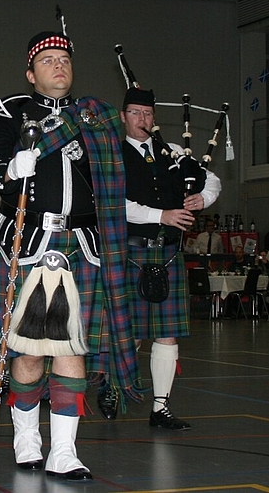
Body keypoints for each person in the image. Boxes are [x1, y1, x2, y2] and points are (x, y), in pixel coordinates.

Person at [0, 27, 140, 481]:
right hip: (28, 244)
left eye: (64, 59)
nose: (58, 65)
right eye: (47, 60)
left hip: (83, 247)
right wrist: (11, 167)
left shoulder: (97, 119)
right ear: (31, 74)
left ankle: (64, 450)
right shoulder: (11, 113)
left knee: (72, 349)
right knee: (27, 352)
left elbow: (115, 182)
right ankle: (27, 438)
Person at [116, 87, 221, 428]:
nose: (141, 120)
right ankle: (116, 388)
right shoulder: (113, 155)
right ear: (123, 117)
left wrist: (202, 198)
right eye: (134, 113)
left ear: (154, 118)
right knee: (129, 331)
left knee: (167, 333)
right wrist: (160, 215)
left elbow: (214, 180)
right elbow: (114, 204)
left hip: (168, 253)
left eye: (147, 114)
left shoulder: (173, 152)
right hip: (130, 252)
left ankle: (160, 407)